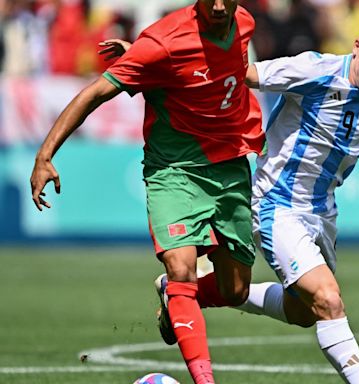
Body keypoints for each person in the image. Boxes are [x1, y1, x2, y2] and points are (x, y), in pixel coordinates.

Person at [99, 14, 359, 384]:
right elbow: (241, 73)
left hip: (321, 213)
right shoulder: (314, 71)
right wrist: (153, 64)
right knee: (329, 300)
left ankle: (186, 294)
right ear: (357, 46)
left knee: (304, 311)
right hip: (277, 205)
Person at [30, 1, 265, 384]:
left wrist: (146, 61)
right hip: (174, 170)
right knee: (181, 269)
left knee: (235, 290)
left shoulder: (244, 23)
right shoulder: (165, 40)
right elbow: (93, 94)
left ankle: (172, 299)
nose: (220, 5)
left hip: (230, 168)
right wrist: (45, 154)